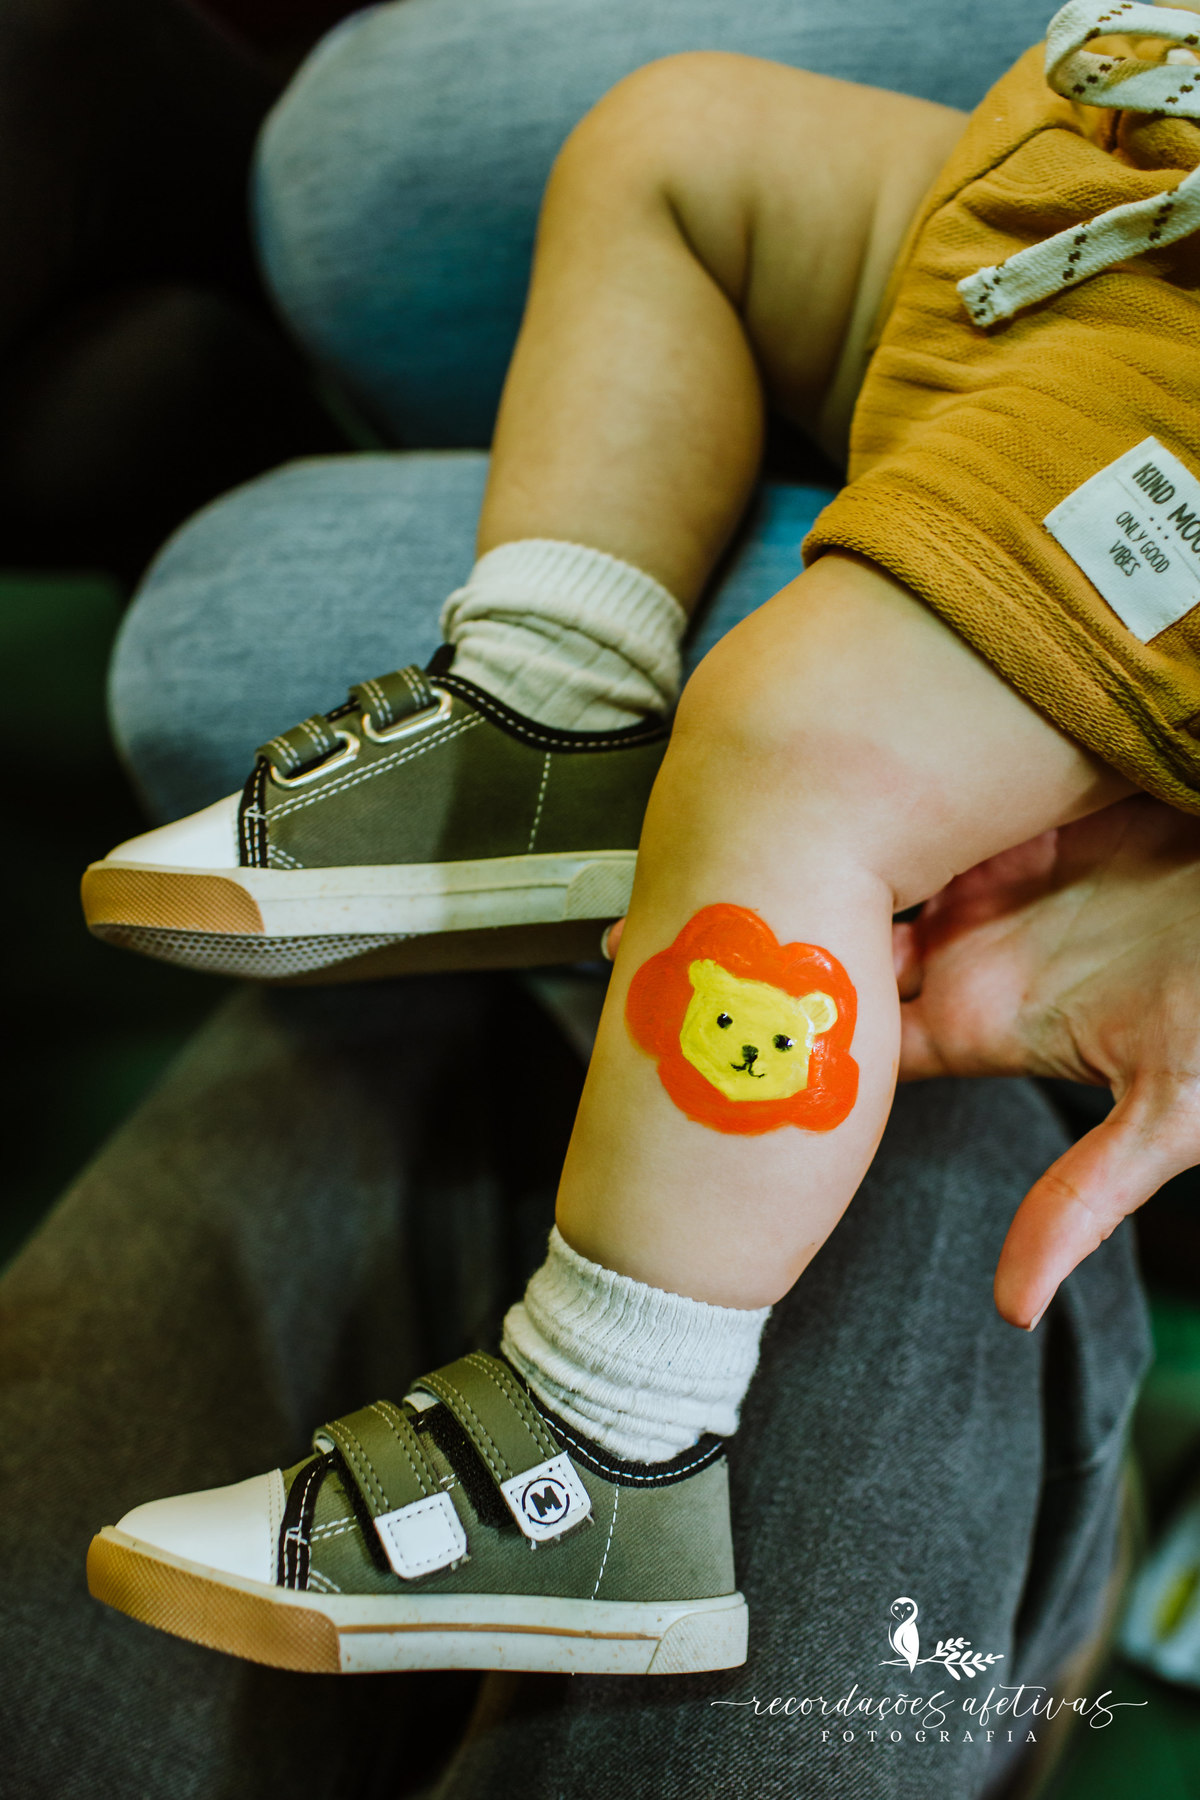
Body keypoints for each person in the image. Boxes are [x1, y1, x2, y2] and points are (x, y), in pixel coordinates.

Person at [78, 0, 1200, 1699]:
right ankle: (556, 712)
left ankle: (612, 1444)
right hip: (1104, 161)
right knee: (668, 144)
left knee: (789, 740)